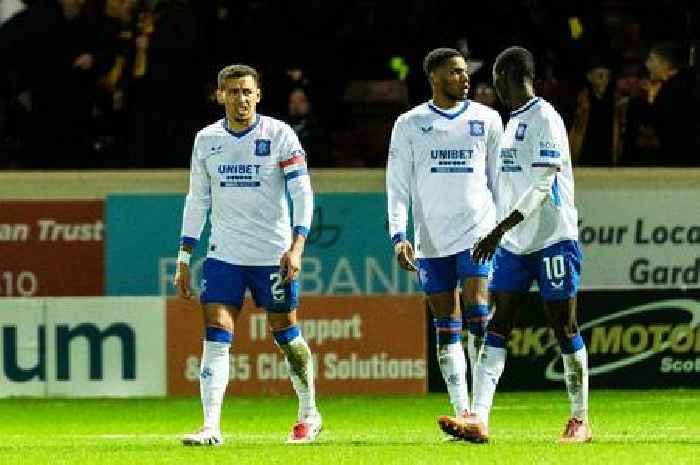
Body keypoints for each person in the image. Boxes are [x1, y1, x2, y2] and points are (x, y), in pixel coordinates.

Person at [438, 46, 591, 444]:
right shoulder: (510, 125)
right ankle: (479, 418)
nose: (493, 87)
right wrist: (495, 227)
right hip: (515, 244)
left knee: (563, 324)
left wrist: (498, 229)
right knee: (497, 323)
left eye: (495, 78)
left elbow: (543, 184)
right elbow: (507, 186)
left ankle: (580, 420)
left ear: (508, 74)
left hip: (553, 238)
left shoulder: (546, 119)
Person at [174, 64, 322, 445]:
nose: (241, 98)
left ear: (258, 95)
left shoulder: (279, 134)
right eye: (233, 91)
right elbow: (197, 200)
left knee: (286, 335)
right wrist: (184, 256)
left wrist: (296, 247)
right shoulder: (206, 140)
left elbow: (303, 193)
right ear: (219, 95)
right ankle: (211, 426)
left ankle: (309, 412)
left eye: (247, 92)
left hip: (272, 255)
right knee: (216, 333)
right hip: (224, 254)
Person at [386, 48, 503, 426]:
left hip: (478, 234)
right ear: (434, 78)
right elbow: (397, 184)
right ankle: (462, 410)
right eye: (455, 72)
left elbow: (498, 181)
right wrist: (398, 235)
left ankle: (481, 409)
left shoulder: (487, 120)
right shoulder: (409, 123)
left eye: (465, 71)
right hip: (432, 241)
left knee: (478, 311)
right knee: (446, 323)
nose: (464, 77)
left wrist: (501, 230)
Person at [568, 57, 623, 166]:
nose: (604, 80)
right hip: (584, 156)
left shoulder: (617, 102)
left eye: (607, 76)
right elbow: (574, 131)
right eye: (600, 76)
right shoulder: (580, 101)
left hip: (608, 157)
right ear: (590, 77)